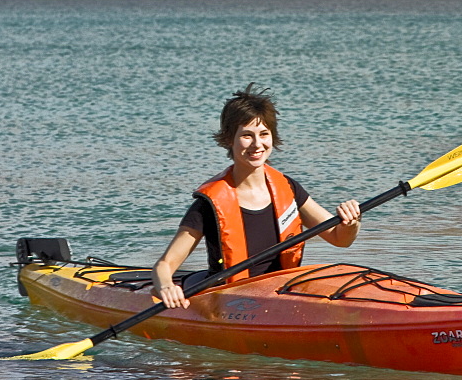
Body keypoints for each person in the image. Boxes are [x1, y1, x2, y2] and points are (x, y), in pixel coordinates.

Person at [153, 84, 362, 309]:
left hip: (280, 294)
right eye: (246, 135)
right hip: (232, 300)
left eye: (264, 134)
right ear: (228, 140)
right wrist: (166, 287)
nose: (257, 144)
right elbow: (164, 265)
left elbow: (341, 239)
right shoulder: (210, 203)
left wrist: (351, 222)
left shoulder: (288, 188)